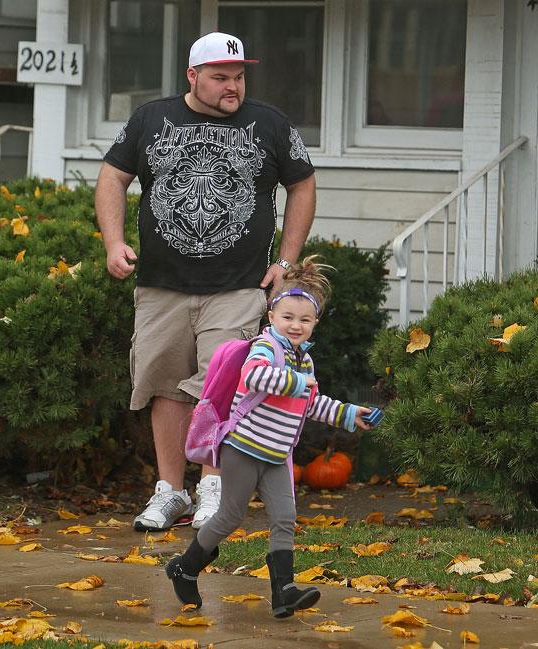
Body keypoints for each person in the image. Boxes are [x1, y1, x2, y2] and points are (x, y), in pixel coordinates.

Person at [94, 31, 316, 532]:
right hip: (161, 284)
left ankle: (213, 487)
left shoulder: (270, 124)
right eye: (220, 77)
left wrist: (287, 258)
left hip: (238, 286)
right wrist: (113, 241)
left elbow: (302, 183)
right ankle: (171, 493)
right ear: (192, 76)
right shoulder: (151, 118)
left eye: (238, 77)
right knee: (165, 388)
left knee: (223, 384)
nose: (232, 86)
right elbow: (112, 175)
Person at [165, 256, 372, 617]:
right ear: (272, 316)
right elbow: (254, 377)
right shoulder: (266, 347)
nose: (296, 325)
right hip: (243, 449)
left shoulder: (303, 362)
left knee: (285, 518)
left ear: (315, 324)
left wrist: (351, 415)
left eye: (305, 320)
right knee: (230, 516)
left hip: (277, 455)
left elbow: (310, 403)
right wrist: (295, 381)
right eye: (288, 317)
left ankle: (284, 592)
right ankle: (185, 568)